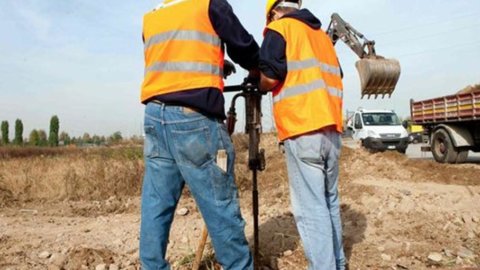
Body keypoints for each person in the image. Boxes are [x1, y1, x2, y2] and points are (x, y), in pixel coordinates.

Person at [139, 0, 259, 269]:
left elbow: (174, 58)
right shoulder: (209, 4)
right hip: (194, 119)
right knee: (220, 207)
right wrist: (257, 67)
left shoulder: (152, 17)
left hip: (155, 117)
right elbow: (243, 46)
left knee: (156, 206)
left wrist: (217, 63)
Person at [259, 1, 346, 269]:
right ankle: (338, 263)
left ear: (274, 12)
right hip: (332, 131)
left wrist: (257, 81)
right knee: (329, 200)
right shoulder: (321, 36)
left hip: (302, 128)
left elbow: (271, 77)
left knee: (310, 209)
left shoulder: (280, 29)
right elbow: (337, 75)